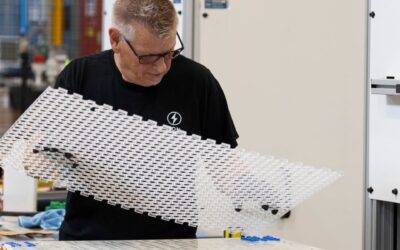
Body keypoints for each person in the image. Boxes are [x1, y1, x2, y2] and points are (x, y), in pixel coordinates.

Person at [55, 0, 238, 240]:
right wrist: (38, 155)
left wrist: (252, 188)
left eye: (170, 53)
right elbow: (40, 156)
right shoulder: (79, 78)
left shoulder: (197, 83)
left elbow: (224, 166)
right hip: (89, 241)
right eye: (149, 57)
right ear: (116, 40)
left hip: (170, 244)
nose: (162, 67)